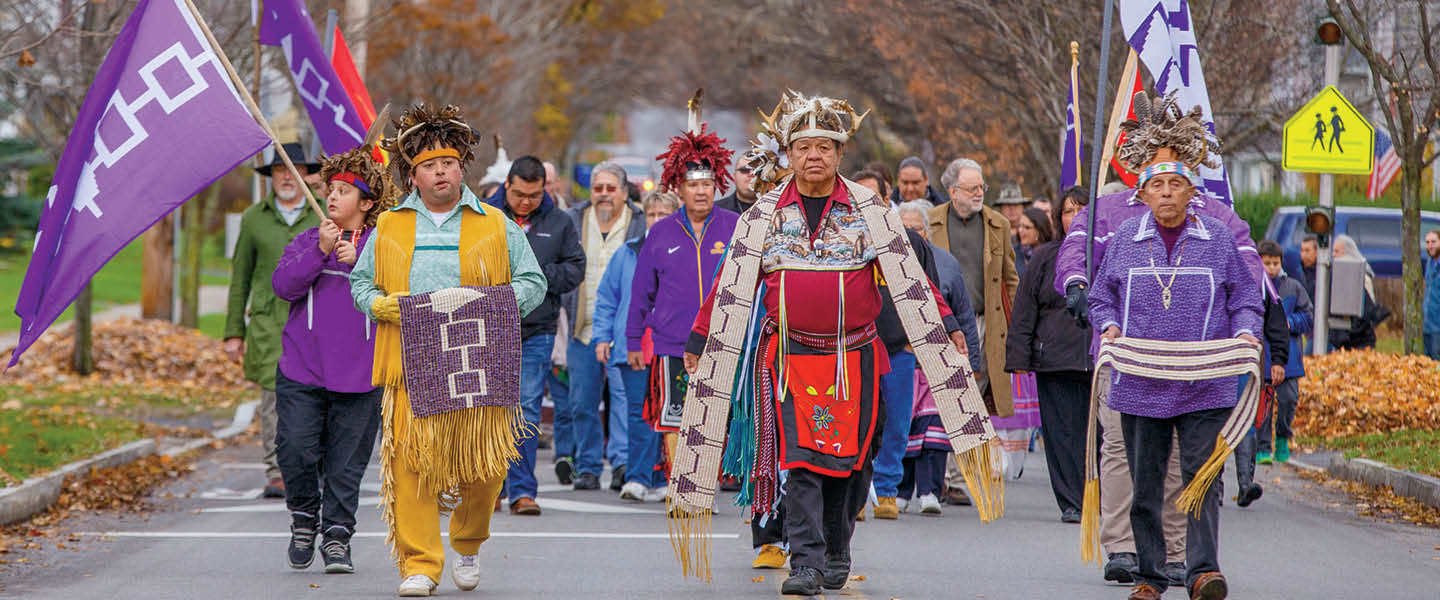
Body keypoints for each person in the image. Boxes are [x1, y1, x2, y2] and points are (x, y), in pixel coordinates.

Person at [677, 92, 983, 595]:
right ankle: (807, 564)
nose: (813, 156)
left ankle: (839, 547)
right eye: (803, 147)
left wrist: (946, 324)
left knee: (851, 463)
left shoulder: (871, 212)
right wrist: (700, 334)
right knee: (800, 463)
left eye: (824, 146)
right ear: (789, 155)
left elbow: (911, 278)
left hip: (856, 359)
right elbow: (729, 284)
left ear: (840, 154)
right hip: (792, 358)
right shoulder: (764, 216)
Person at [349, 104, 547, 597]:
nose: (441, 172)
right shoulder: (390, 225)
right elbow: (360, 286)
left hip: (480, 363)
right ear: (413, 176)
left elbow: (533, 283)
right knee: (413, 466)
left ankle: (468, 541)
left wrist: (490, 302)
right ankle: (420, 563)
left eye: (449, 163)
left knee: (483, 470)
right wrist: (387, 307)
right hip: (410, 366)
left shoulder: (496, 223)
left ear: (463, 169)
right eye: (429, 166)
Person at [1088, 91, 1264, 600]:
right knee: (1145, 486)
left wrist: (1246, 333)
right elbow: (1102, 298)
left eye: (1176, 184)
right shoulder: (1124, 239)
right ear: (1142, 194)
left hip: (1204, 382)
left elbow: (1245, 299)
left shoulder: (1218, 240)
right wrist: (1108, 329)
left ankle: (1202, 571)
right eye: (1157, 185)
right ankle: (1149, 576)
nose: (1166, 193)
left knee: (1202, 479)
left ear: (1192, 192)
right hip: (1140, 381)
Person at [272, 140, 396, 574]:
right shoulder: (309, 239)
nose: (332, 196)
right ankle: (304, 518)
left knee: (346, 465)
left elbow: (401, 295)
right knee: (295, 449)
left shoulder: (384, 250)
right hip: (303, 369)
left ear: (366, 203)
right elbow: (283, 286)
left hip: (362, 374)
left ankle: (338, 537)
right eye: (331, 190)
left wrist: (361, 260)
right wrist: (320, 252)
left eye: (344, 191)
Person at [627, 115, 739, 464]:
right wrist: (633, 340)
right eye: (693, 185)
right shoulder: (661, 233)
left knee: (712, 420)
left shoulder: (735, 227)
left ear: (717, 185)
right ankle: (679, 486)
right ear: (679, 188)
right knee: (675, 420)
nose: (702, 191)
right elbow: (641, 291)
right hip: (671, 343)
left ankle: (703, 485)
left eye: (707, 183)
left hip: (722, 344)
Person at [483, 155, 585, 514]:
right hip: (489, 327)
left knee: (526, 411)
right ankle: (489, 487)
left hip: (537, 328)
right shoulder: (483, 216)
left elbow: (575, 268)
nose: (526, 202)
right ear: (506, 186)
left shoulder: (559, 221)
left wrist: (538, 277)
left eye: (535, 195)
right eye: (520, 195)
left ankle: (523, 490)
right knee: (490, 411)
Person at [225, 142, 323, 498]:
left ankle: (312, 465)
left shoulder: (324, 214)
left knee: (315, 397)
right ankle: (276, 471)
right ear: (270, 177)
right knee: (273, 398)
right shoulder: (254, 219)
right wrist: (233, 332)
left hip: (313, 323)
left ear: (305, 175)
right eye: (279, 170)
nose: (286, 176)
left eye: (293, 169)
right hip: (269, 325)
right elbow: (240, 278)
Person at [926, 157, 1019, 506]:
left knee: (971, 396)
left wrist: (1014, 326)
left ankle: (957, 472)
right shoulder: (932, 221)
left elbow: (1010, 278)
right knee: (945, 396)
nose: (979, 193)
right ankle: (947, 475)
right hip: (940, 321)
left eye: (981, 187)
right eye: (972, 188)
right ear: (952, 191)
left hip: (983, 323)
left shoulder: (996, 224)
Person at [1005, 187, 1091, 522]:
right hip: (1055, 358)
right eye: (1069, 212)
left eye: (1082, 210)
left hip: (1098, 359)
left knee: (1097, 434)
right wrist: (1018, 357)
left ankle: (1097, 496)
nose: (1076, 218)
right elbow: (1025, 309)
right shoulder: (1045, 257)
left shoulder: (1109, 253)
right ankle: (1070, 500)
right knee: (1060, 434)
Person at [562, 160, 647, 492]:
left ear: (625, 193)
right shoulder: (574, 220)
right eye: (598, 188)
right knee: (582, 402)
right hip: (582, 326)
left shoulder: (640, 224)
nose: (604, 195)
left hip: (624, 330)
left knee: (624, 400)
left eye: (611, 188)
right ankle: (587, 466)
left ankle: (622, 463)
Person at [893, 199, 981, 515]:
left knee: (934, 428)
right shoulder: (885, 263)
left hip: (937, 356)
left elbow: (961, 312)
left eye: (915, 228)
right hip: (899, 356)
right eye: (902, 227)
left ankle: (930, 491)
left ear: (926, 232)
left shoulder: (945, 263)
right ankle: (899, 490)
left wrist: (971, 360)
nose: (908, 233)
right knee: (903, 425)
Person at [594, 190, 679, 503]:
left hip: (672, 347)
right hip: (634, 347)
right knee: (637, 414)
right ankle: (638, 477)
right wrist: (603, 337)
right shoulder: (627, 252)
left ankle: (665, 476)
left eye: (664, 214)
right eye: (652, 214)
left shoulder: (685, 251)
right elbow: (607, 298)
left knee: (669, 415)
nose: (657, 220)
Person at [990, 207, 1051, 480]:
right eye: (1021, 226)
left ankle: (1017, 455)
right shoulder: (1015, 255)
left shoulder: (1049, 255)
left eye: (1028, 227)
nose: (1022, 231)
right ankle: (1001, 457)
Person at [1255, 240, 1311, 467]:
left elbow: (1308, 316)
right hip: (1262, 358)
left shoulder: (1293, 287)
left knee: (1288, 400)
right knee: (1263, 405)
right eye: (1266, 263)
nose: (1271, 268)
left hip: (1289, 359)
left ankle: (1282, 437)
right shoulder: (1254, 287)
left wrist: (1289, 323)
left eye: (1275, 263)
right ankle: (1263, 447)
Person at [1328, 234, 1385, 350]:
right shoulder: (1339, 274)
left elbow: (1368, 309)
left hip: (1360, 337)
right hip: (1343, 336)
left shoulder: (1361, 276)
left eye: (1337, 251)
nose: (1333, 255)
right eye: (1333, 251)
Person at [1425, 230, 1440, 360]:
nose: (1430, 246)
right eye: (1427, 242)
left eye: (1434, 242)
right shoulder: (1429, 263)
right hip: (1427, 325)